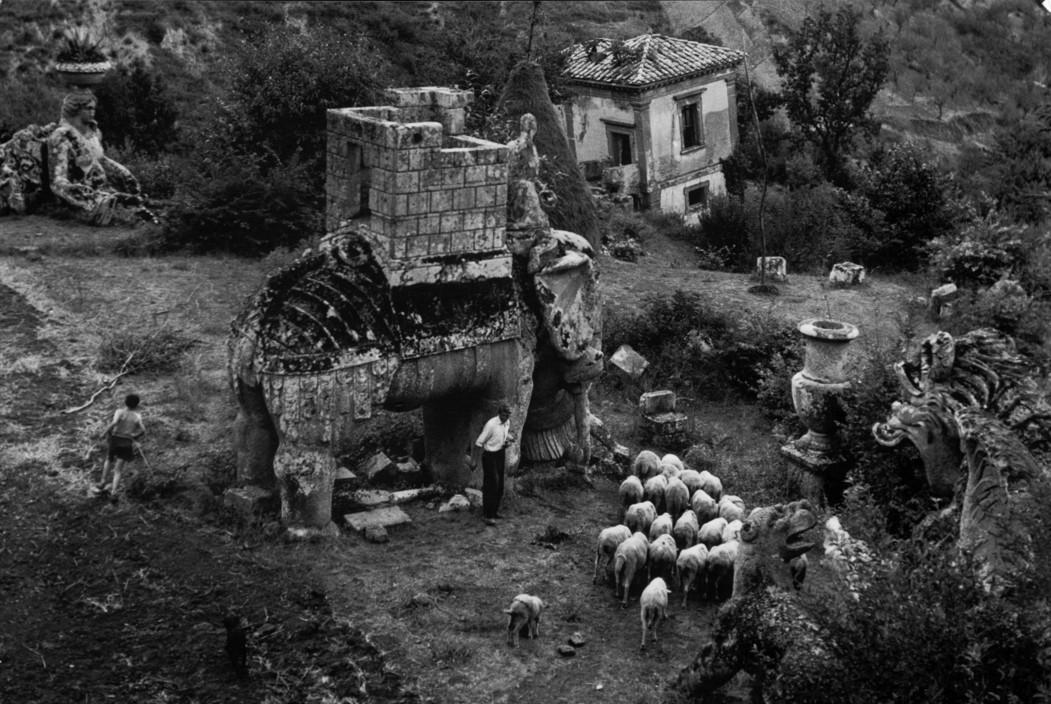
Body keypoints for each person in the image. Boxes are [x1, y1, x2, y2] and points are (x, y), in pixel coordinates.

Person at [47, 92, 157, 226]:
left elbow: (101, 159)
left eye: (93, 108)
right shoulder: (61, 135)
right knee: (128, 207)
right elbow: (57, 180)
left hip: (104, 188)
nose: (92, 111)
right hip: (84, 197)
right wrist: (86, 198)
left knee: (135, 202)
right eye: (88, 108)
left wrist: (126, 175)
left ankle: (149, 220)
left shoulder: (94, 133)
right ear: (75, 109)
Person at [470, 403, 514, 526]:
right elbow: (478, 443)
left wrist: (507, 442)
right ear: (499, 414)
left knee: (500, 485)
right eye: (503, 415)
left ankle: (494, 512)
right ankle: (486, 515)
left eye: (507, 415)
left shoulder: (507, 422)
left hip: (500, 454)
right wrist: (473, 460)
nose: (505, 418)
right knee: (492, 484)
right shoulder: (491, 424)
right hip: (489, 456)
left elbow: (503, 435)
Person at [97, 393, 146, 495]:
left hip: (115, 439)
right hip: (127, 442)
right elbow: (143, 430)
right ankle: (114, 491)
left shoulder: (119, 412)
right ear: (137, 405)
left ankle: (103, 481)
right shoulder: (137, 416)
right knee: (118, 470)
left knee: (109, 459)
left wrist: (103, 433)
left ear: (125, 402)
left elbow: (114, 423)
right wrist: (135, 435)